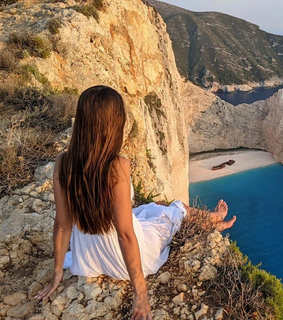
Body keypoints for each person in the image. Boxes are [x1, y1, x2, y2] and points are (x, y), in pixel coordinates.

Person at [34, 85, 236, 319]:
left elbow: (62, 225)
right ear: (114, 124)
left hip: (88, 257)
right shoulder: (117, 165)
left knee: (155, 206)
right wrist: (141, 293)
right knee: (176, 208)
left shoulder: (63, 162)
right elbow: (125, 235)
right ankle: (214, 220)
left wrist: (58, 272)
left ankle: (212, 219)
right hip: (122, 257)